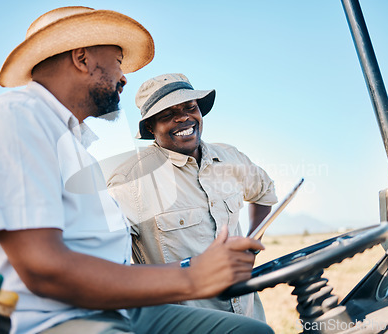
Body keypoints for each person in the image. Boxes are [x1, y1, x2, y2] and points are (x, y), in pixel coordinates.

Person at [0, 6, 274, 334]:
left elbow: (106, 263)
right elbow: (44, 270)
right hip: (43, 319)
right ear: (82, 58)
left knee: (253, 330)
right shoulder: (15, 120)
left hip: (112, 306)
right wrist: (193, 278)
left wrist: (194, 267)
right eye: (118, 62)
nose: (123, 77)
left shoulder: (73, 145)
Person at [107, 73, 278, 320]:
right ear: (151, 127)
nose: (184, 117)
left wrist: (251, 245)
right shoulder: (129, 181)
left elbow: (264, 193)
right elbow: (112, 271)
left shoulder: (230, 157)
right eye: (167, 114)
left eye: (190, 107)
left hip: (250, 319)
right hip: (186, 324)